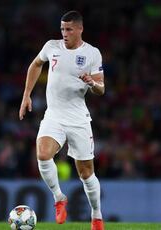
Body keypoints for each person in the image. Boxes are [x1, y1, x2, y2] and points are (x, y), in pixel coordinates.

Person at [19, 11, 105, 230]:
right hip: (54, 115)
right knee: (42, 153)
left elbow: (101, 89)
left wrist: (92, 83)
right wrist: (26, 95)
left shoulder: (92, 53)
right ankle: (59, 198)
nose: (64, 34)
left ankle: (96, 216)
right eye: (62, 29)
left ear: (80, 29)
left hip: (78, 119)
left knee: (86, 173)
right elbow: (35, 65)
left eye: (69, 29)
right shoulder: (52, 46)